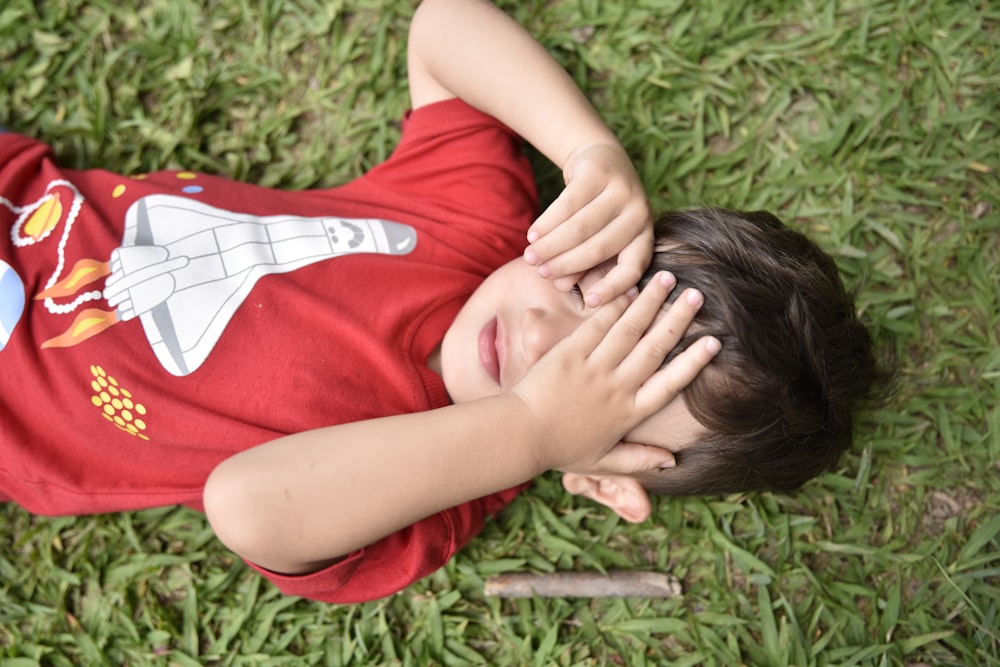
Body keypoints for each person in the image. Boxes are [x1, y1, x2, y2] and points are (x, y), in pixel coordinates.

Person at [0, 0, 880, 604]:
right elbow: (443, 25)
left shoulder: (434, 492)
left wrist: (530, 430)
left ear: (606, 481)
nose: (539, 332)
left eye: (603, 381)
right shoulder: (475, 226)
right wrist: (588, 153)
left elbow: (247, 504)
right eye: (583, 286)